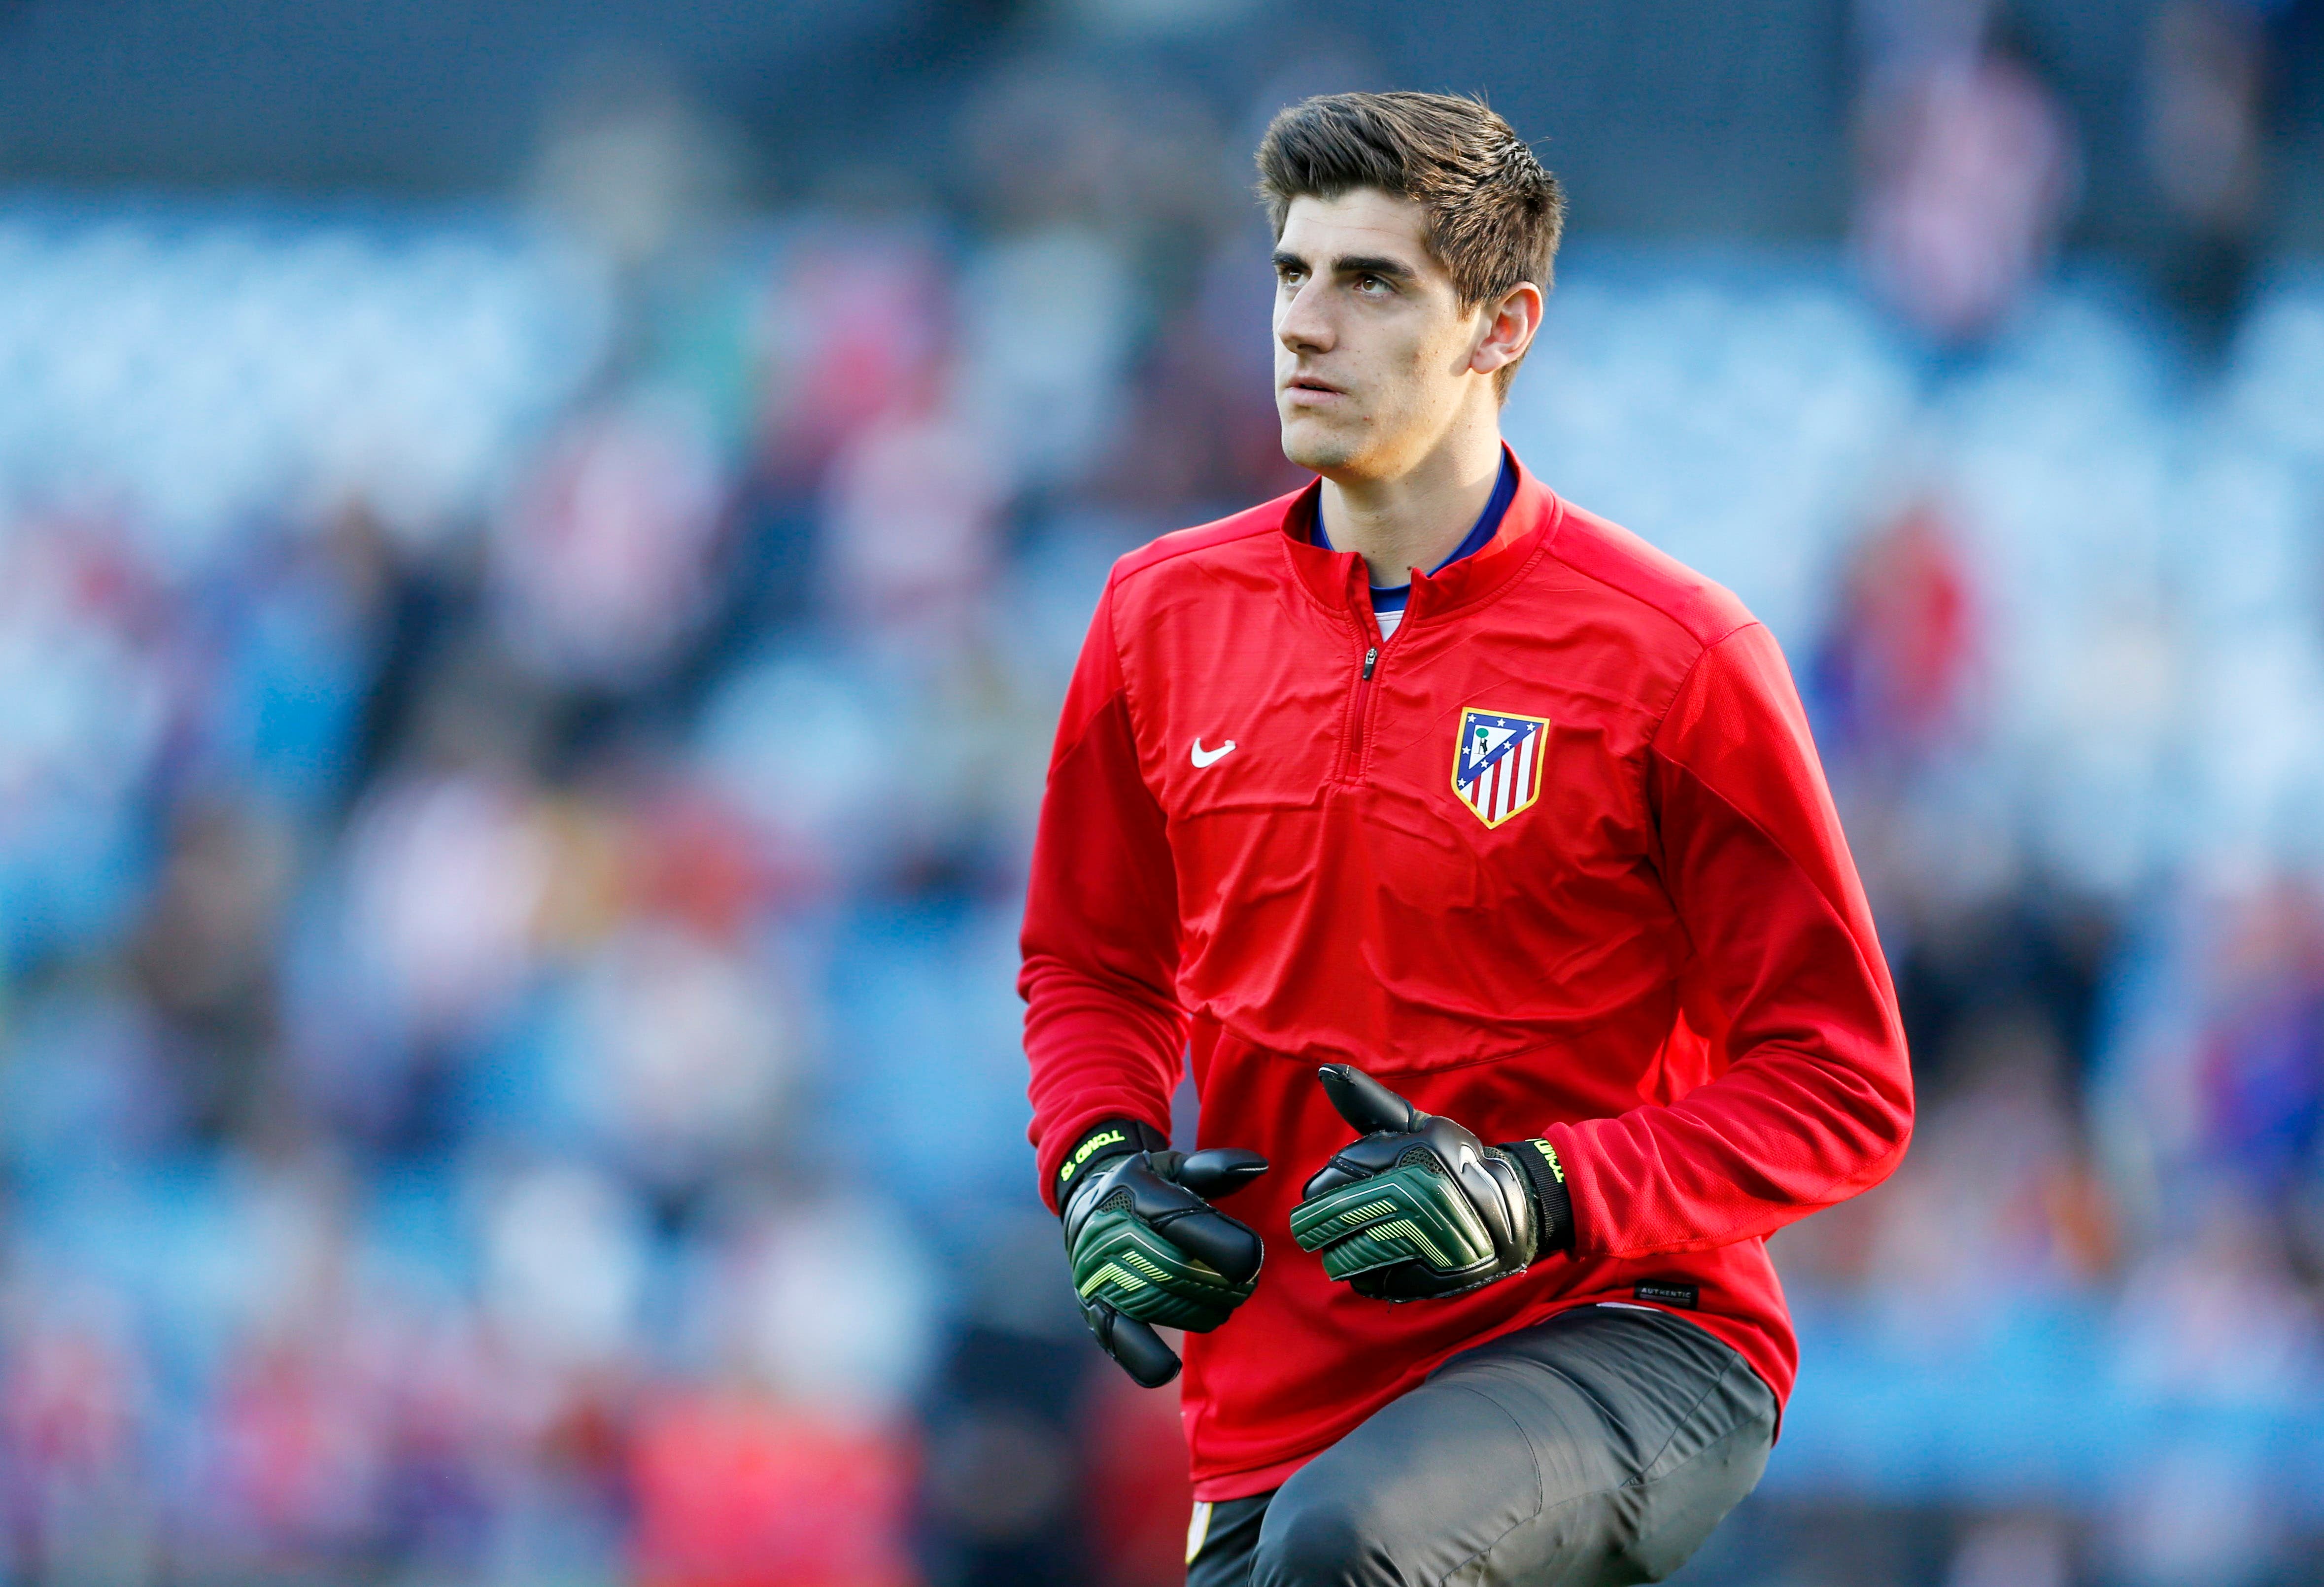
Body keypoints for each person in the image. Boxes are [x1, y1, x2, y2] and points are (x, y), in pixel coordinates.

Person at [1020, 91, 1914, 1586]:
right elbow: (1089, 962)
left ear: (1501, 326)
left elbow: (1841, 1084)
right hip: (1279, 1411)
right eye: (1292, 273)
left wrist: (1541, 1193)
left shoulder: (1674, 653)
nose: (1306, 323)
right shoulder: (1152, 616)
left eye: (1371, 283)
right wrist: (1102, 1161)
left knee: (1349, 1552)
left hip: (1630, 1336)